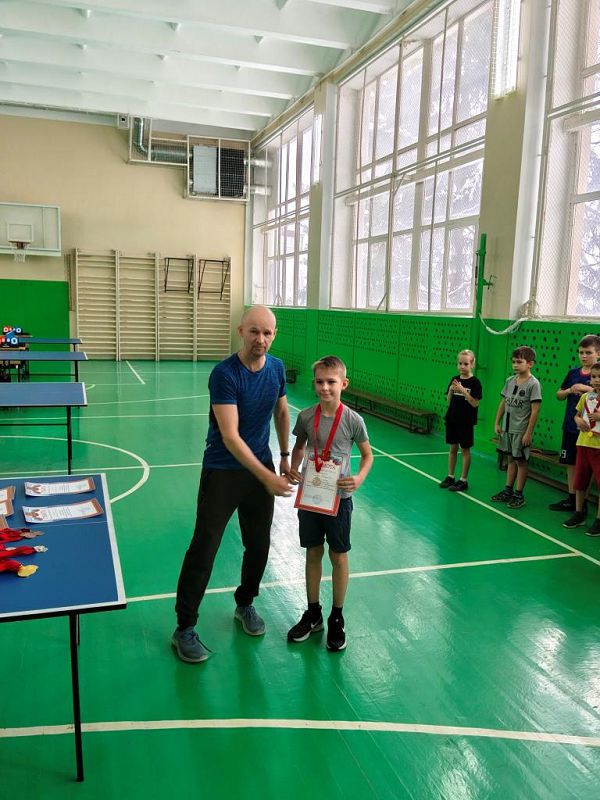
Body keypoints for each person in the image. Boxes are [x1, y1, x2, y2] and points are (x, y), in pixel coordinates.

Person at [172, 305, 293, 663]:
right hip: (223, 470)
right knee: (205, 546)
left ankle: (245, 603)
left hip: (261, 466)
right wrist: (267, 476)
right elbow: (230, 435)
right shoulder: (224, 374)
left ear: (274, 334)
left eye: (267, 333)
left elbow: (282, 411)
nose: (261, 339)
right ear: (241, 331)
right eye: (254, 331)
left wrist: (284, 456)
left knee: (259, 544)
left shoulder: (277, 368)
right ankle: (184, 628)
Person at [287, 355, 373, 652]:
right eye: (320, 382)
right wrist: (293, 467)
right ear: (314, 383)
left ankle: (337, 617)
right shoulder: (305, 417)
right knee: (313, 552)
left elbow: (367, 455)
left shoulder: (353, 420)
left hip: (339, 499)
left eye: (331, 382)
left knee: (338, 556)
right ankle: (313, 613)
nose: (325, 387)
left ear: (343, 384)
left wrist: (359, 478)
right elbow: (299, 447)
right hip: (311, 496)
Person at [549, 334, 600, 514]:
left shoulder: (597, 375)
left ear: (598, 353)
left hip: (592, 432)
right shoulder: (573, 373)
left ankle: (583, 501)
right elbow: (558, 394)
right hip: (571, 425)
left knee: (588, 467)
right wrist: (570, 390)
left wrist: (587, 388)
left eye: (588, 352)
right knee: (570, 462)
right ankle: (572, 498)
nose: (584, 356)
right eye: (581, 352)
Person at [491, 346, 542, 510]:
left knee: (521, 461)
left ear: (530, 364)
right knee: (510, 459)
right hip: (507, 428)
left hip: (520, 431)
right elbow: (503, 402)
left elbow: (535, 411)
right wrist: (497, 422)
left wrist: (528, 433)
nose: (515, 365)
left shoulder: (533, 384)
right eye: (513, 362)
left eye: (519, 362)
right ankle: (508, 490)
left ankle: (519, 494)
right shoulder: (510, 380)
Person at [562, 361, 600, 536]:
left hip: (598, 447)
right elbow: (577, 415)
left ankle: (598, 520)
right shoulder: (586, 397)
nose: (596, 380)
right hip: (583, 443)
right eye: (593, 377)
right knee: (580, 481)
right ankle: (579, 512)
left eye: (599, 377)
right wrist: (578, 420)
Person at [439, 349, 482, 493]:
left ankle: (463, 480)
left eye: (466, 364)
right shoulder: (454, 379)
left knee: (465, 450)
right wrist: (452, 390)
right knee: (452, 448)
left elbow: (475, 403)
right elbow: (448, 400)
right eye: (460, 363)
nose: (462, 366)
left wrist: (463, 390)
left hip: (466, 421)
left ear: (472, 364)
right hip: (452, 419)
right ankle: (450, 476)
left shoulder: (475, 382)